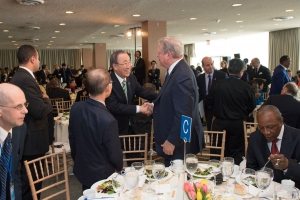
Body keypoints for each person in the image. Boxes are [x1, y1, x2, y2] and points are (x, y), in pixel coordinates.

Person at [10, 44, 53, 200]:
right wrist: (47, 100)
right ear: (32, 59)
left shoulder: (22, 76)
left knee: (32, 183)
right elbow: (39, 110)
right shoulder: (24, 79)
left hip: (30, 137)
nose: (39, 61)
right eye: (38, 58)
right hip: (31, 139)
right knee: (32, 184)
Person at [69, 68, 123, 190]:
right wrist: (119, 168)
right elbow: (115, 156)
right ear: (108, 88)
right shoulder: (108, 120)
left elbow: (72, 139)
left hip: (83, 169)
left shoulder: (76, 108)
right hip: (103, 176)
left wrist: (78, 160)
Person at [153, 37, 204, 166]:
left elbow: (184, 113)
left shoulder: (181, 75)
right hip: (176, 139)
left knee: (177, 180)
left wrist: (172, 141)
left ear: (168, 54)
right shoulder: (176, 71)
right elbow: (173, 101)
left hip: (179, 144)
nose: (157, 56)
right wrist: (154, 105)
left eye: (159, 53)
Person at [208, 58, 256, 164]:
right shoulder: (246, 87)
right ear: (241, 72)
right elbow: (252, 106)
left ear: (228, 70)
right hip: (237, 124)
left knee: (217, 150)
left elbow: (209, 103)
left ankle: (215, 174)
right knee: (236, 153)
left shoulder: (217, 85)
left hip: (219, 123)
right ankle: (234, 175)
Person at [246, 105, 300, 189]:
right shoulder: (255, 138)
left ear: (281, 121)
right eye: (261, 128)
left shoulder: (297, 137)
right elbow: (250, 169)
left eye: (270, 127)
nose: (266, 132)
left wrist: (287, 165)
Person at [106, 50, 157, 135]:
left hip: (132, 125)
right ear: (115, 66)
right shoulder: (108, 81)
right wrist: (139, 108)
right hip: (115, 127)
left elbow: (141, 91)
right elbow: (114, 106)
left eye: (129, 62)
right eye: (125, 63)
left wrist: (161, 95)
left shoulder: (131, 78)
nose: (129, 66)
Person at [0, 83, 27, 200]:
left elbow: (15, 171)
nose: (26, 111)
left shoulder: (20, 128)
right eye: (19, 106)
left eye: (25, 104)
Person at [197, 56, 226, 130]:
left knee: (220, 130)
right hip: (206, 108)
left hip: (219, 107)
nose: (210, 67)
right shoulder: (199, 78)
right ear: (203, 66)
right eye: (207, 65)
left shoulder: (221, 75)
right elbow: (199, 94)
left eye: (211, 64)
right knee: (209, 128)